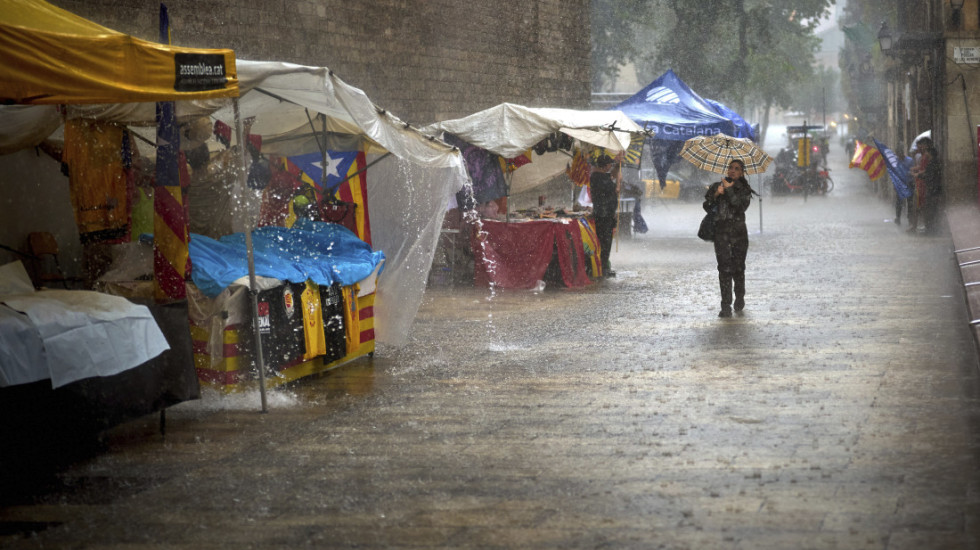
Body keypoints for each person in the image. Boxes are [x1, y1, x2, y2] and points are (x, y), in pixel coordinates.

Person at [704, 159, 753, 317]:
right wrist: (716, 194)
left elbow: (739, 207)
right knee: (724, 269)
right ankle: (725, 305)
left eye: (737, 168)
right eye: (730, 168)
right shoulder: (717, 186)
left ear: (742, 172)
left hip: (739, 235)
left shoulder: (744, 189)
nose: (732, 171)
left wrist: (730, 191)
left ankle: (739, 297)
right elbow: (707, 206)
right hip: (721, 234)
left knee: (738, 269)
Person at [590, 154, 619, 278]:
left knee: (606, 242)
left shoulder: (602, 176)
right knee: (604, 242)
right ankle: (602, 268)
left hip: (607, 214)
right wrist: (617, 183)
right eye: (610, 164)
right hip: (603, 215)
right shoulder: (597, 177)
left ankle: (604, 266)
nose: (610, 167)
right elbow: (611, 189)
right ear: (606, 165)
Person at [912, 137, 942, 234]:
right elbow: (926, 171)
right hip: (931, 187)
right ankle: (929, 227)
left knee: (928, 208)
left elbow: (927, 173)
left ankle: (930, 228)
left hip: (931, 188)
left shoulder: (931, 162)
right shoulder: (933, 162)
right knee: (928, 207)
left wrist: (918, 174)